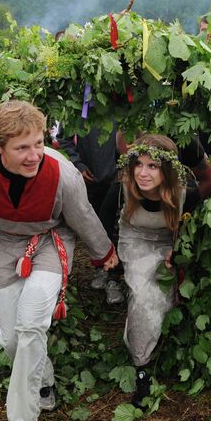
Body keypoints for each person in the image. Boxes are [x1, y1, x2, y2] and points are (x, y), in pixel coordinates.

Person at [0, 100, 118, 421]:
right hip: (3, 245)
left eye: (38, 143)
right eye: (22, 147)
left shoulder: (61, 172)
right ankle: (45, 383)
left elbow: (84, 217)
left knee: (29, 326)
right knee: (10, 339)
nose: (34, 155)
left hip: (49, 243)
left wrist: (104, 254)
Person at [115, 135, 193, 407]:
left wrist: (178, 250)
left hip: (167, 244)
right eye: (138, 165)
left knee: (166, 295)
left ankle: (144, 336)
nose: (143, 173)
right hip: (135, 240)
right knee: (144, 294)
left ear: (167, 170)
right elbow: (101, 219)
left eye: (152, 166)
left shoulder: (182, 192)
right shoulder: (126, 187)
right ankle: (142, 366)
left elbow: (189, 230)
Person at [57, 125, 124, 301]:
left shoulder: (124, 104)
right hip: (90, 178)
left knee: (115, 224)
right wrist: (77, 163)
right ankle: (102, 268)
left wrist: (126, 167)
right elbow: (64, 139)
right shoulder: (80, 105)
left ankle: (114, 278)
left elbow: (136, 137)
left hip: (118, 177)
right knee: (96, 225)